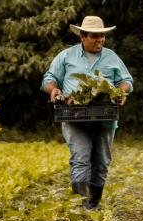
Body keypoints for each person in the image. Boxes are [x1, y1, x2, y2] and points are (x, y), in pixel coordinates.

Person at [41, 15, 133, 210]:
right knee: (80, 160)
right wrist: (53, 90)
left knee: (101, 162)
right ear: (82, 37)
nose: (100, 40)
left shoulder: (112, 57)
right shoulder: (66, 56)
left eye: (102, 36)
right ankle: (82, 208)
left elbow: (127, 81)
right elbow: (49, 79)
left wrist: (121, 92)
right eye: (94, 36)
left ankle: (94, 203)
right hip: (74, 116)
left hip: (105, 117)